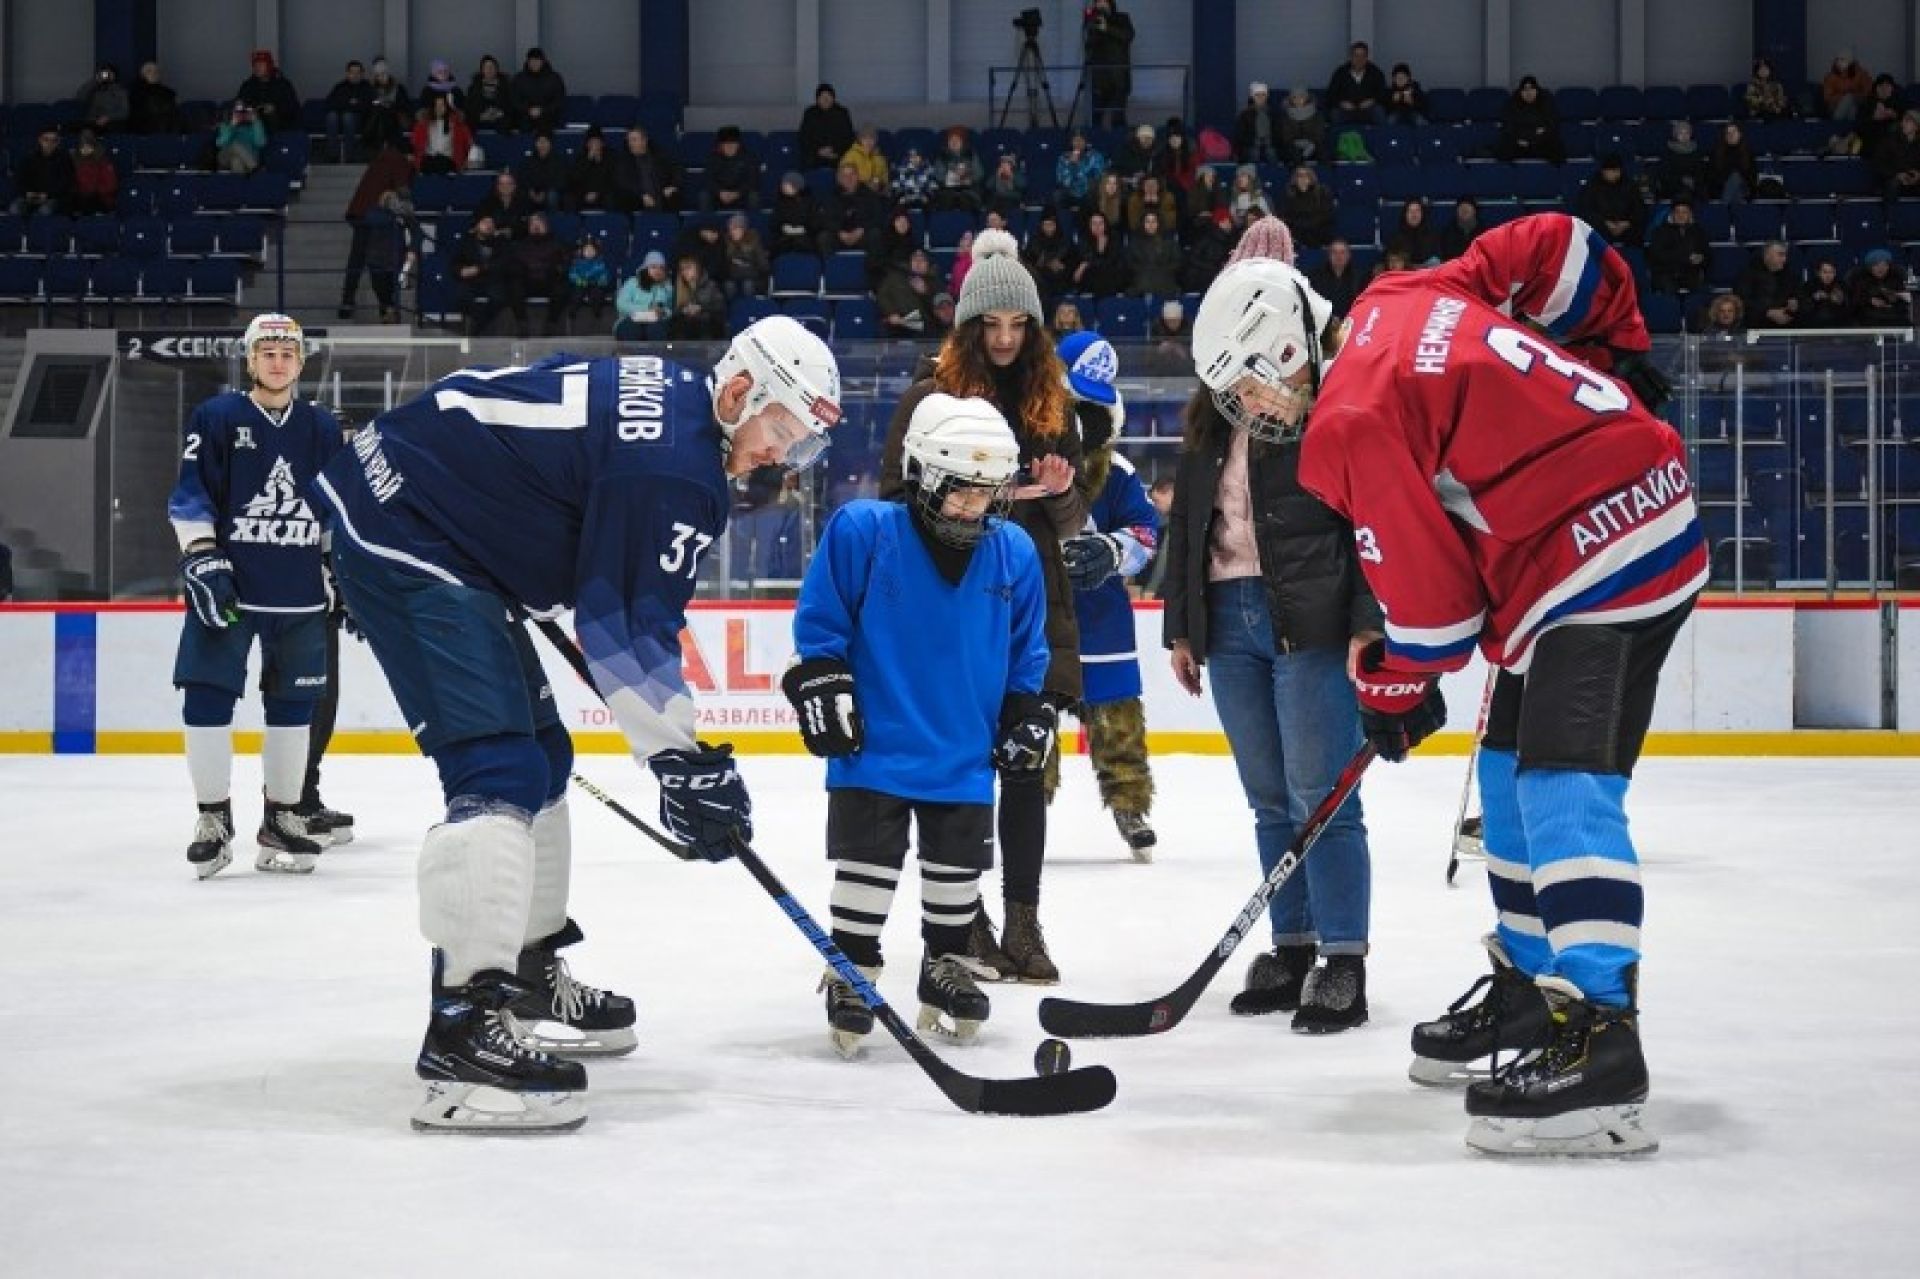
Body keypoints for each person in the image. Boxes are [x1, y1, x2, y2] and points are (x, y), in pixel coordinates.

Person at [1196, 211, 1702, 1154]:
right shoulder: (1397, 296)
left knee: (1557, 784)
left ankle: (1602, 1038)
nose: (1258, 413)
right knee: (1507, 781)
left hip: (1597, 558)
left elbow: (1433, 613)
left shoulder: (1344, 418)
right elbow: (1554, 242)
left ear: (1284, 348)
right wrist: (1612, 348)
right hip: (1601, 533)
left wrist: (1389, 688)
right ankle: (1531, 989)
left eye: (1256, 389)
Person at [311, 316, 843, 1132]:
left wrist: (680, 753)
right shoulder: (677, 470)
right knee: (496, 769)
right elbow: (622, 626)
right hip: (408, 528)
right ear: (740, 391)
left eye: (801, 446)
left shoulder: (673, 401)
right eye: (783, 430)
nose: (782, 455)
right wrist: (683, 761)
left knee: (544, 756)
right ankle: (463, 1033)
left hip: (414, 507)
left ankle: (525, 971)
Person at [1163, 228, 1379, 1033]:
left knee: (1321, 793)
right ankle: (1292, 946)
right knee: (1267, 800)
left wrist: (1369, 621)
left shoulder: (1334, 398)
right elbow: (1193, 520)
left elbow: (1370, 521)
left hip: (1310, 620)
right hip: (1228, 619)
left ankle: (1344, 958)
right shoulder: (1212, 410)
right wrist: (1184, 625)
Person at [791, 393, 1046, 1055]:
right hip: (873, 745)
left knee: (956, 874)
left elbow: (1028, 650)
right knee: (866, 867)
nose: (974, 507)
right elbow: (821, 621)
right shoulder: (863, 530)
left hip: (963, 752)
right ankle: (851, 967)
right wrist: (821, 678)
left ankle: (946, 967)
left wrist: (1028, 713)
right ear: (923, 475)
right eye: (961, 492)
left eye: (988, 493)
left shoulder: (1014, 551)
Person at [879, 229, 1085, 985]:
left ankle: (1025, 924)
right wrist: (986, 498)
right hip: (950, 613)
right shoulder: (927, 401)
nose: (1003, 338)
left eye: (1016, 325)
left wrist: (1060, 493)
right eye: (990, 325)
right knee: (962, 775)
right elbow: (893, 506)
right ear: (966, 328)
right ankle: (964, 918)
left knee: (1025, 770)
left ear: (1034, 330)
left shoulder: (1050, 406)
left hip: (1030, 613)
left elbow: (1071, 520)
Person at [166, 314, 345, 882]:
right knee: (207, 697)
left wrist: (340, 571)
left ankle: (283, 817)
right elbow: (191, 492)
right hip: (231, 589)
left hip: (297, 593)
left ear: (300, 360)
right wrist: (200, 554)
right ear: (249, 359)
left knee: (294, 709)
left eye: (287, 350)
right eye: (266, 350)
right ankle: (213, 819)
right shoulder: (217, 417)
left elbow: (336, 511)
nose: (276, 359)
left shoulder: (321, 428)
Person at [1056, 333, 1162, 857]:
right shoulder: (1017, 462)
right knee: (1025, 716)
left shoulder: (1116, 473)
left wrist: (1113, 552)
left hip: (1102, 620)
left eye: (1091, 409)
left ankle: (1129, 802)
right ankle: (1021, 805)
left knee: (1117, 715)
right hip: (1037, 618)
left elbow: (1146, 532)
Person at [339, 136, 416, 319]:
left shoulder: (380, 159)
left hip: (359, 212)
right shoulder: (398, 161)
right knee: (379, 262)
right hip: (375, 218)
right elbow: (403, 190)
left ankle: (347, 302)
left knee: (356, 261)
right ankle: (386, 305)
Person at [1083, 0, 1135, 131]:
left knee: (1118, 117)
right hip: (1100, 78)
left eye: (1103, 2)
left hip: (1119, 77)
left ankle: (1120, 143)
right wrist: (1093, 26)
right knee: (1095, 116)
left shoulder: (1122, 18)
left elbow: (1128, 36)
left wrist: (1107, 28)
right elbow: (1089, 46)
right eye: (1098, 3)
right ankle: (1096, 144)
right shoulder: (1093, 21)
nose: (1100, 5)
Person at [1577, 155, 1646, 249]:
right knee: (1596, 235)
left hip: (1626, 225)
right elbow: (1586, 210)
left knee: (1637, 234)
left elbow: (1639, 208)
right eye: (1612, 171)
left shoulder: (1630, 185)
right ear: (1604, 171)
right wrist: (1605, 223)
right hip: (1601, 226)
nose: (1615, 174)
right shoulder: (1592, 186)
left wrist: (1628, 222)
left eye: (1618, 171)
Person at [1494, 75, 1564, 164]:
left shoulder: (1546, 103)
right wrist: (1519, 139)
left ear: (1537, 90)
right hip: (1518, 143)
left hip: (1540, 143)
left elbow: (1551, 125)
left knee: (1556, 146)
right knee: (1504, 146)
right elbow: (1508, 127)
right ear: (1520, 92)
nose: (1528, 93)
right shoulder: (1512, 104)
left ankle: (1555, 175)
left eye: (1531, 89)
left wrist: (1536, 139)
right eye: (1525, 90)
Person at [613, 126, 682, 214]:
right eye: (629, 140)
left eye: (634, 140)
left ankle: (673, 224)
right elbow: (622, 181)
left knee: (674, 196)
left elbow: (677, 169)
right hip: (637, 198)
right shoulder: (624, 159)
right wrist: (641, 196)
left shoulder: (659, 155)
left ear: (644, 140)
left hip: (661, 195)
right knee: (621, 198)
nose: (630, 144)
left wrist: (673, 186)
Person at [1647, 198, 1708, 295]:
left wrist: (1701, 258)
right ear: (1672, 214)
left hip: (1691, 273)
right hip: (1666, 273)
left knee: (1701, 290)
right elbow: (1657, 255)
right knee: (1668, 289)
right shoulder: (1660, 231)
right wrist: (1686, 258)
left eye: (1684, 212)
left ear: (1690, 215)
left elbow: (1707, 254)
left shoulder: (1698, 232)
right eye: (1677, 212)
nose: (1681, 215)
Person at [1737, 240, 1798, 329]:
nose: (1784, 259)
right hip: (1756, 326)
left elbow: (1798, 295)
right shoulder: (1747, 274)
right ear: (1767, 255)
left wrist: (1795, 305)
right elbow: (1741, 301)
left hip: (1786, 324)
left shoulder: (1789, 274)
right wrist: (1767, 313)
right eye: (1780, 255)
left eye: (1785, 255)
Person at [234, 49, 299, 133]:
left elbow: (292, 108)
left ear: (269, 65)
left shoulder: (283, 85)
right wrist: (243, 107)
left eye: (261, 65)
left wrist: (275, 109)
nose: (257, 68)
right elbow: (240, 103)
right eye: (255, 65)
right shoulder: (248, 85)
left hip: (280, 126)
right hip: (253, 126)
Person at [614, 250, 673, 340]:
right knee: (631, 330)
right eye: (653, 267)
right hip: (631, 319)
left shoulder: (667, 287)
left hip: (655, 321)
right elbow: (621, 304)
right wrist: (647, 308)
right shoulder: (632, 282)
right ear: (645, 268)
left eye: (661, 268)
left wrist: (663, 312)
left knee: (657, 330)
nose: (658, 271)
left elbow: (670, 309)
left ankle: (658, 353)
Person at [1326, 42, 1388, 125]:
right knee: (1335, 113)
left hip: (1368, 110)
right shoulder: (1340, 72)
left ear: (1367, 57)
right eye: (1356, 55)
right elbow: (1330, 94)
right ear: (1351, 57)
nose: (1359, 59)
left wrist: (1373, 101)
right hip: (1346, 110)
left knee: (1378, 111)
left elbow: (1383, 93)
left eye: (1363, 56)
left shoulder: (1376, 72)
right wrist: (1341, 103)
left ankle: (1381, 136)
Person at [668, 254, 727, 340]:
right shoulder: (679, 288)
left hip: (707, 322)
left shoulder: (710, 285)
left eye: (688, 268)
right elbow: (674, 310)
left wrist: (701, 308)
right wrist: (683, 310)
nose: (685, 272)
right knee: (680, 324)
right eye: (682, 269)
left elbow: (720, 307)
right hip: (687, 324)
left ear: (697, 268)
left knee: (703, 322)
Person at [411, 94, 473, 175]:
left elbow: (469, 144)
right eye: (436, 105)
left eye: (442, 105)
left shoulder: (458, 125)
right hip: (428, 160)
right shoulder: (422, 125)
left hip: (449, 161)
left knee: (441, 163)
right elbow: (414, 144)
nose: (439, 109)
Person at [703, 126, 761, 213]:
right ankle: (707, 224)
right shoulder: (712, 158)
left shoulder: (749, 157)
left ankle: (754, 222)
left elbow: (753, 180)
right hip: (719, 196)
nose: (730, 147)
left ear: (738, 144)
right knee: (704, 195)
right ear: (720, 145)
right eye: (726, 144)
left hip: (741, 195)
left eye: (733, 144)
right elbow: (708, 179)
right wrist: (719, 192)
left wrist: (737, 193)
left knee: (754, 195)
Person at [325, 61, 374, 163]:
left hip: (361, 120)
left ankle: (350, 155)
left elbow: (369, 106)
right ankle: (333, 154)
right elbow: (330, 103)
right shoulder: (340, 87)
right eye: (352, 72)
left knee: (348, 116)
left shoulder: (367, 87)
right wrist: (350, 104)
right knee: (331, 116)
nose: (355, 75)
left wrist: (348, 105)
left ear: (362, 74)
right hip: (339, 119)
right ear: (347, 73)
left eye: (358, 72)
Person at [1848, 247, 1912, 325]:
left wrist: (1895, 300)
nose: (1881, 269)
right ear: (1870, 267)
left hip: (1893, 316)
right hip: (1868, 316)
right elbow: (1853, 299)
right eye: (1876, 265)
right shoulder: (1860, 279)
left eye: (1885, 265)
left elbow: (1906, 300)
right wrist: (1870, 300)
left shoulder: (1897, 278)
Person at [799, 83, 856, 170]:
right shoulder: (810, 113)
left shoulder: (842, 113)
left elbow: (848, 138)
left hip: (838, 156)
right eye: (822, 97)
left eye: (828, 96)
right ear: (817, 99)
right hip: (815, 157)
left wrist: (835, 150)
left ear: (833, 98)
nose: (826, 100)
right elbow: (804, 137)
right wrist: (818, 151)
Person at [511, 47, 566, 133]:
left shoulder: (555, 78)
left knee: (546, 126)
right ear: (528, 62)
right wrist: (528, 110)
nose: (534, 63)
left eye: (537, 61)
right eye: (532, 61)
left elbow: (559, 100)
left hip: (548, 117)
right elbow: (515, 100)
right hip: (525, 117)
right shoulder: (519, 79)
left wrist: (543, 110)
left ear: (543, 61)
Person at [1280, 165, 1336, 249]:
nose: (1303, 178)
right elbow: (1285, 216)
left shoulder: (1322, 192)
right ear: (1295, 179)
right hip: (1297, 231)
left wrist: (1309, 224)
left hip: (1318, 229)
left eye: (1306, 175)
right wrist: (1301, 224)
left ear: (1311, 178)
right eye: (1299, 176)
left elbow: (1327, 213)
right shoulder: (1289, 194)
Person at [1307, 237, 1363, 320]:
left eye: (1342, 252)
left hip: (1351, 323)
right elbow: (1313, 304)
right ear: (1329, 255)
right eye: (1334, 252)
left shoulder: (1359, 277)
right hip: (1323, 323)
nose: (1338, 256)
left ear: (1349, 255)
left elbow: (1361, 305)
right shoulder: (1315, 276)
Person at [1872, 110, 1920, 202]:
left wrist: (1918, 175)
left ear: (1916, 126)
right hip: (1893, 178)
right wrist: (1897, 175)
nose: (1903, 123)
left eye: (1908, 121)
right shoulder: (1890, 140)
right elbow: (1878, 164)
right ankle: (1891, 214)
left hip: (1913, 181)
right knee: (1893, 184)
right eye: (1903, 120)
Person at [70, 128, 119, 216]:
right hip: (81, 197)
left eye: (88, 146)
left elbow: (111, 185)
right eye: (82, 146)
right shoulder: (74, 161)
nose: (85, 149)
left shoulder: (103, 161)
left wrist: (94, 190)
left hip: (100, 198)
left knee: (89, 200)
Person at [1708, 122, 1758, 204]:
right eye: (1728, 133)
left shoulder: (1747, 153)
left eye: (1734, 132)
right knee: (1735, 186)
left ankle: (1724, 208)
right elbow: (1713, 174)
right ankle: (1738, 211)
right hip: (1722, 187)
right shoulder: (1717, 152)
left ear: (1740, 134)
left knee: (1736, 177)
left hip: (1744, 187)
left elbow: (1751, 175)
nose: (1731, 135)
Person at [128, 61, 182, 135]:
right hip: (145, 129)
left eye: (156, 71)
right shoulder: (136, 93)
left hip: (167, 126)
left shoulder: (168, 93)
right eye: (149, 71)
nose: (154, 74)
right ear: (142, 75)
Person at [466, 55, 515, 133]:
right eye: (486, 67)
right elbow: (469, 106)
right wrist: (481, 116)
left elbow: (511, 104)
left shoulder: (506, 86)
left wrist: (500, 113)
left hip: (500, 119)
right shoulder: (474, 87)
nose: (489, 70)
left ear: (496, 69)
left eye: (492, 67)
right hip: (480, 119)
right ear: (482, 70)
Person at [215, 101, 267, 174]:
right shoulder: (226, 125)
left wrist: (256, 123)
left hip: (250, 157)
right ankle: (255, 168)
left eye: (244, 113)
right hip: (226, 156)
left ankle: (241, 183)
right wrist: (232, 126)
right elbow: (220, 143)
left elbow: (260, 143)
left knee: (236, 161)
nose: (241, 115)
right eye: (238, 112)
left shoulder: (255, 125)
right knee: (234, 144)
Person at [76, 63, 129, 133]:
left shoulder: (121, 91)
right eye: (104, 73)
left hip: (112, 122)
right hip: (92, 121)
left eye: (109, 73)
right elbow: (80, 97)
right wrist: (95, 81)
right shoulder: (94, 89)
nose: (106, 76)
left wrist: (108, 117)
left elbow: (125, 112)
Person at [1279, 86, 1327, 164]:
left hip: (1313, 145)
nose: (1298, 100)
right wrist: (1297, 143)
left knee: (1324, 152)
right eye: (1295, 97)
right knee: (1291, 153)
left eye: (1301, 96)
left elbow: (1320, 134)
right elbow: (1286, 136)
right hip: (1293, 146)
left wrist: (1310, 144)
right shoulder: (1286, 116)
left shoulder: (1317, 115)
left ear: (1306, 98)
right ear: (1291, 99)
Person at [1235, 82, 1280, 164]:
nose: (1260, 97)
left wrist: (1270, 141)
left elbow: (1278, 132)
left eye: (1263, 95)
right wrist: (1253, 141)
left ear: (1267, 96)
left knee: (1272, 153)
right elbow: (1240, 135)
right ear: (1253, 97)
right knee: (1253, 153)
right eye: (1257, 95)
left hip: (1270, 143)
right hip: (1252, 143)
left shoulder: (1274, 113)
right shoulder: (1245, 114)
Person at [1798, 258, 1849, 327]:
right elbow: (1802, 309)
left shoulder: (1842, 286)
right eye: (1825, 272)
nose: (1828, 276)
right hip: (1813, 327)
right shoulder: (1809, 286)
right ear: (1818, 273)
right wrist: (1814, 298)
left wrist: (1841, 301)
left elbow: (1850, 308)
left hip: (1837, 327)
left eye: (1831, 272)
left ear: (1835, 273)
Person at [1822, 51, 1871, 121]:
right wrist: (1844, 97)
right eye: (1837, 59)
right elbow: (1827, 97)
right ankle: (1847, 128)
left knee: (1851, 100)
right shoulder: (1830, 77)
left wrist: (1856, 96)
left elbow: (1868, 90)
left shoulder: (1860, 74)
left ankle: (1837, 126)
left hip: (1857, 102)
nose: (1839, 62)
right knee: (1850, 103)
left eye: (1842, 59)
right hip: (1835, 106)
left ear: (1850, 62)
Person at [1745, 57, 1790, 122]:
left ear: (1770, 70)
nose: (1763, 71)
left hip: (1774, 112)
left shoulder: (1777, 85)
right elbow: (1750, 100)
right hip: (1758, 112)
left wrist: (1777, 104)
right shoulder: (1752, 85)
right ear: (1757, 71)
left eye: (1766, 69)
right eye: (1761, 69)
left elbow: (1781, 99)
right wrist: (1762, 100)